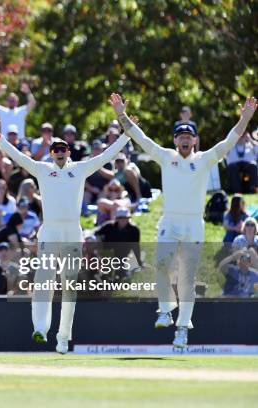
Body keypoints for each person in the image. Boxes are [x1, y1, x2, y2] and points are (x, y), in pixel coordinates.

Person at [109, 92, 256, 348]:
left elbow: (229, 141)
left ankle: (182, 329)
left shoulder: (204, 159)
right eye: (181, 136)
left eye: (189, 136)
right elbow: (140, 137)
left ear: (195, 140)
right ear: (175, 140)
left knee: (187, 277)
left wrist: (245, 118)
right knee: (162, 263)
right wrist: (121, 114)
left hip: (193, 225)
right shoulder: (166, 156)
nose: (185, 140)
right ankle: (165, 310)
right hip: (170, 222)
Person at [0, 109, 131, 354]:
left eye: (64, 149)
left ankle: (63, 337)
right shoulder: (42, 169)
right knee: (44, 282)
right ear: (51, 153)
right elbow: (19, 157)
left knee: (69, 287)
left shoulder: (81, 168)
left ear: (69, 152)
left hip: (72, 232)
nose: (60, 152)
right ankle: (41, 328)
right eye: (56, 149)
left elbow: (108, 154)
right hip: (50, 232)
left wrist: (127, 134)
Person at [94, 208, 141, 280]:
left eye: (125, 218)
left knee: (121, 274)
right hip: (106, 254)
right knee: (105, 273)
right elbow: (95, 234)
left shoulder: (134, 230)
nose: (123, 220)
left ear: (128, 219)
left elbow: (136, 246)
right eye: (120, 218)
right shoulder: (108, 226)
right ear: (117, 219)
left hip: (123, 255)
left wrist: (138, 260)